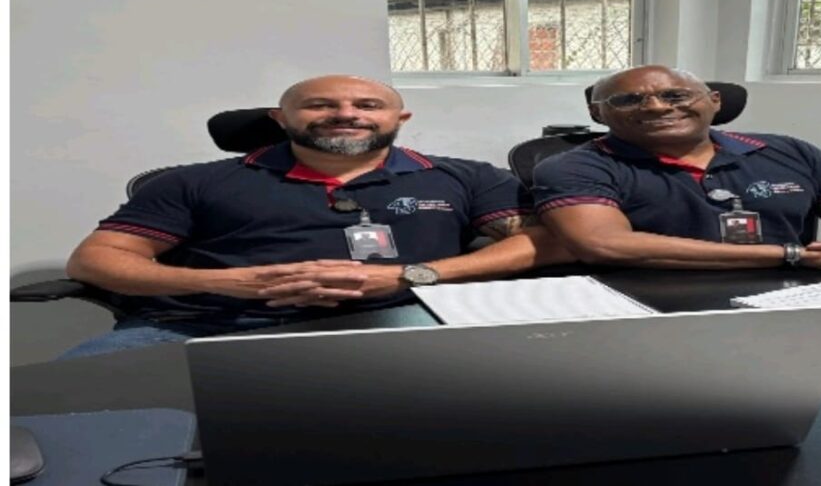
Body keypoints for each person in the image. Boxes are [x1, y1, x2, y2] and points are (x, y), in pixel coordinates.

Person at [64, 74, 571, 357]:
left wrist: (410, 275)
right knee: (69, 415)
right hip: (204, 328)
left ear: (399, 118)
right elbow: (96, 260)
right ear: (280, 118)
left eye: (367, 104)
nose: (346, 114)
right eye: (319, 105)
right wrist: (228, 282)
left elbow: (543, 241)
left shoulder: (464, 176)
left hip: (404, 325)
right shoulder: (193, 181)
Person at [532, 65, 821, 276]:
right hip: (652, 303)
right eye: (628, 100)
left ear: (714, 101)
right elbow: (604, 244)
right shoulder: (575, 166)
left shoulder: (789, 151)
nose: (657, 107)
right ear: (597, 113)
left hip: (796, 295)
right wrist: (790, 254)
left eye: (676, 96)